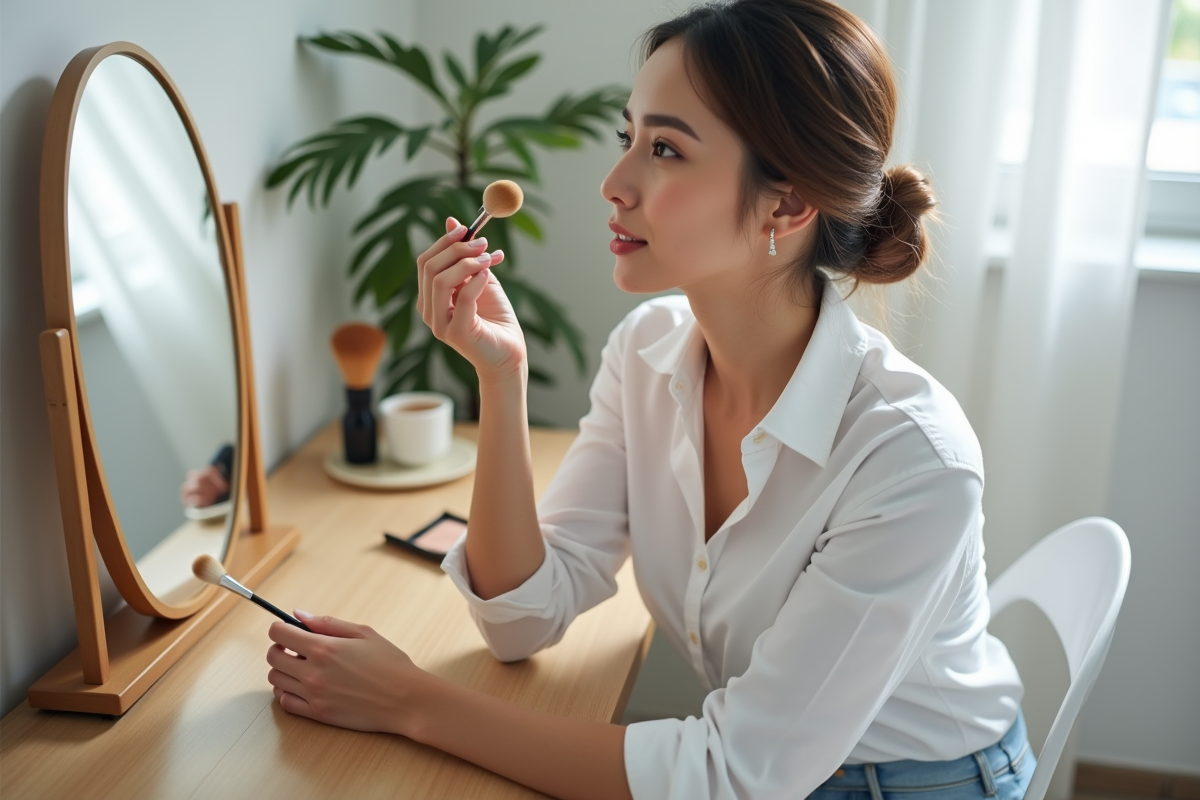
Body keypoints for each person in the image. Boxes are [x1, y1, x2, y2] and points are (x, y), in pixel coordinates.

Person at [263, 2, 1035, 798]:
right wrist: (502, 376)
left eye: (665, 149)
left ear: (788, 205)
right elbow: (523, 617)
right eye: (627, 137)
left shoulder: (910, 460)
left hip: (922, 781)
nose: (614, 183)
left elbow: (729, 774)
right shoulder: (647, 351)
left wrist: (407, 700)